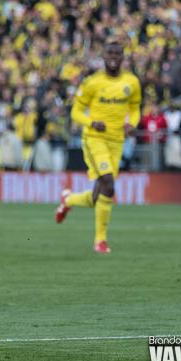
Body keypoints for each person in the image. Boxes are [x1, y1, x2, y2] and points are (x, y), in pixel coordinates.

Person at [55, 36, 141, 254]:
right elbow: (75, 112)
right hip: (94, 139)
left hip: (117, 141)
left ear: (122, 57)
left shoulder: (131, 82)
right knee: (109, 185)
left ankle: (69, 199)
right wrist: (92, 122)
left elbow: (135, 107)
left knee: (98, 195)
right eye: (109, 53)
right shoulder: (92, 82)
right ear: (103, 57)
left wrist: (133, 123)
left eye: (117, 54)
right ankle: (100, 241)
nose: (113, 57)